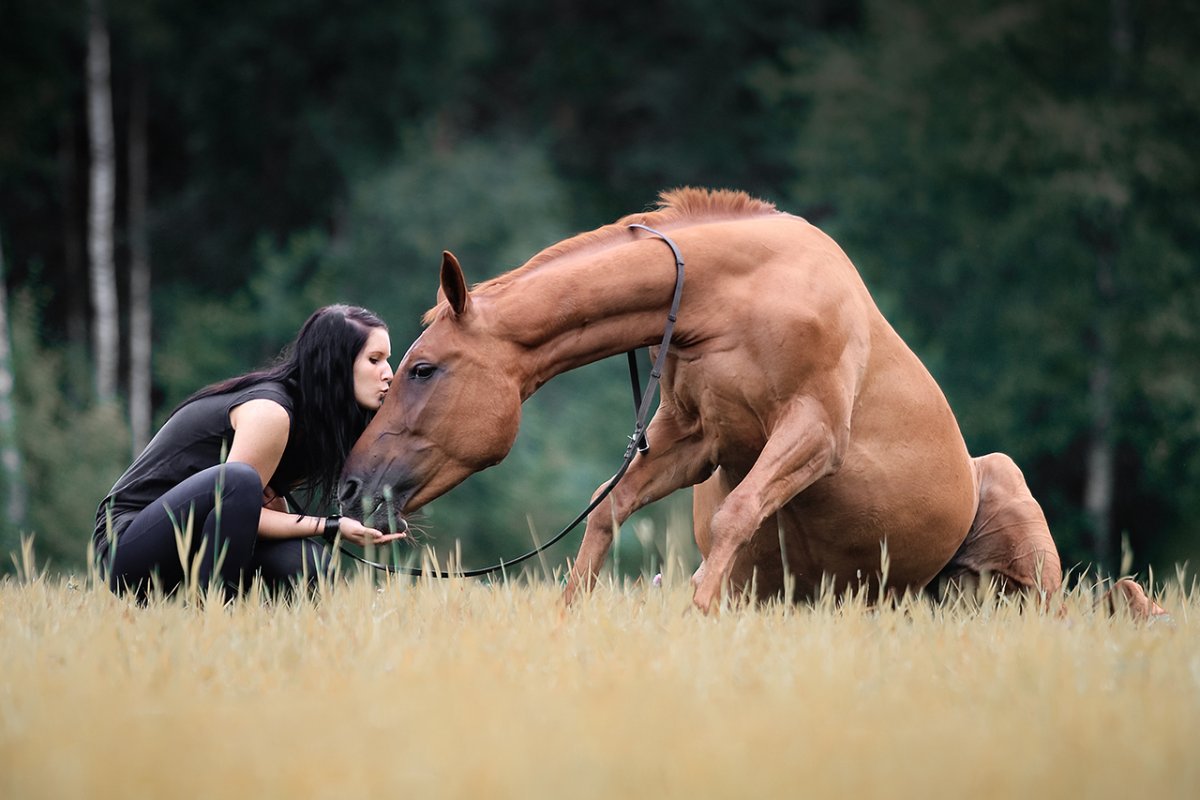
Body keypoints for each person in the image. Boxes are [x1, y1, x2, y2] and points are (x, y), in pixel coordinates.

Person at [93, 304, 406, 599]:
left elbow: (258, 510)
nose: (389, 373)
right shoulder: (270, 412)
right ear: (335, 363)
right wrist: (331, 526)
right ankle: (213, 616)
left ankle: (243, 622)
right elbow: (241, 506)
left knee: (309, 566)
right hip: (129, 546)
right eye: (374, 360)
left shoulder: (312, 424)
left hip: (197, 543)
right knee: (239, 480)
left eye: (387, 360)